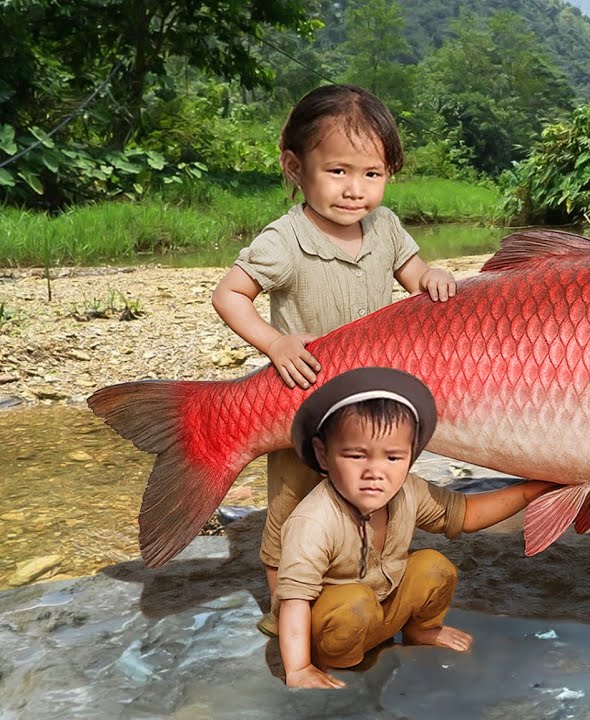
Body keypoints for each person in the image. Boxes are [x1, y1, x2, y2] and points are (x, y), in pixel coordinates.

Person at [210, 84, 457, 636]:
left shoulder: (385, 227)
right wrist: (275, 343)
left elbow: (414, 275)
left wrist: (431, 278)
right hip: (306, 399)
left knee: (373, 490)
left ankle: (366, 587)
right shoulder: (286, 239)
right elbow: (228, 294)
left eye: (372, 174)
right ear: (295, 167)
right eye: (338, 171)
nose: (355, 190)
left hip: (370, 401)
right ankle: (283, 611)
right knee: (293, 503)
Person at [276, 367, 555, 688]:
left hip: (383, 611)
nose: (375, 472)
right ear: (323, 455)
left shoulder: (408, 491)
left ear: (411, 457)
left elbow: (463, 513)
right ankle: (342, 664)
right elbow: (295, 600)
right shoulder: (314, 521)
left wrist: (528, 491)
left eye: (393, 458)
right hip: (331, 628)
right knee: (354, 603)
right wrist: (298, 669)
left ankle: (420, 630)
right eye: (356, 455)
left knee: (433, 566)